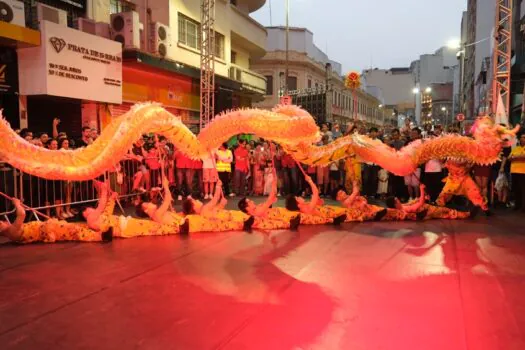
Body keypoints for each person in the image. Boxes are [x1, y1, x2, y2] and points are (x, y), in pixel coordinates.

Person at [1, 198, 112, 244]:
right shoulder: (11, 232)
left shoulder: (11, 232)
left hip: (46, 228)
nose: (3, 222)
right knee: (73, 231)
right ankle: (100, 237)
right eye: (0, 223)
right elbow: (21, 214)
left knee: (73, 229)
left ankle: (99, 234)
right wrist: (16, 203)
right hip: (46, 230)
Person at [385, 184, 471, 220]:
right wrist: (421, 190)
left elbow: (415, 202)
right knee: (446, 211)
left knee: (444, 206)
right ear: (395, 204)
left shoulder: (402, 206)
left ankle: (465, 212)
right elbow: (420, 204)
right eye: (397, 200)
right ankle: (466, 214)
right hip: (428, 211)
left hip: (428, 207)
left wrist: (423, 197)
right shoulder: (405, 209)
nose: (398, 200)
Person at [509, 133, 525, 211]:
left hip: (523, 172)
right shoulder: (516, 148)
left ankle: (523, 207)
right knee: (516, 189)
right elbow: (509, 158)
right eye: (521, 137)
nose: (522, 139)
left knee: (523, 190)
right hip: (514, 171)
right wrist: (518, 156)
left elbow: (523, 157)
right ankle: (517, 205)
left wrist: (515, 157)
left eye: (524, 137)